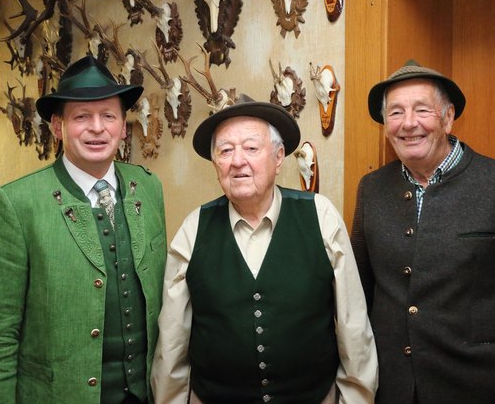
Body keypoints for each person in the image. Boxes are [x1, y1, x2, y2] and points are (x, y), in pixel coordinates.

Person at [350, 60, 495, 404]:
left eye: (422, 110)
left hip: (481, 391)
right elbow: (357, 295)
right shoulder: (371, 190)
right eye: (395, 113)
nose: (408, 124)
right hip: (391, 392)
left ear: (448, 117)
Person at [151, 94, 378, 404]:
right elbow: (172, 342)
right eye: (226, 150)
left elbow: (354, 328)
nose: (237, 161)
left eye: (251, 148)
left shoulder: (321, 216)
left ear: (279, 157)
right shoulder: (193, 229)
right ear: (215, 163)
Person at [0, 55, 167, 404]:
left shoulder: (148, 188)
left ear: (124, 126)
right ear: (58, 127)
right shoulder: (17, 204)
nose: (97, 128)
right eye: (82, 117)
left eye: (109, 115)